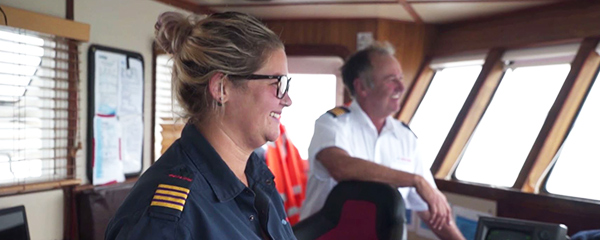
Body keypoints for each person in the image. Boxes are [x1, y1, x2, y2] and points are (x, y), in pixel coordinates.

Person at [105, 11, 296, 240]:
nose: (287, 99)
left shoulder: (258, 181)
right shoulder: (167, 220)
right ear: (222, 88)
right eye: (277, 83)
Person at [299, 42, 465, 240]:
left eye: (401, 79)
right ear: (362, 87)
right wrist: (415, 180)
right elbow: (341, 167)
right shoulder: (332, 124)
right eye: (391, 80)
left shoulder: (406, 138)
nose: (401, 87)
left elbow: (432, 210)